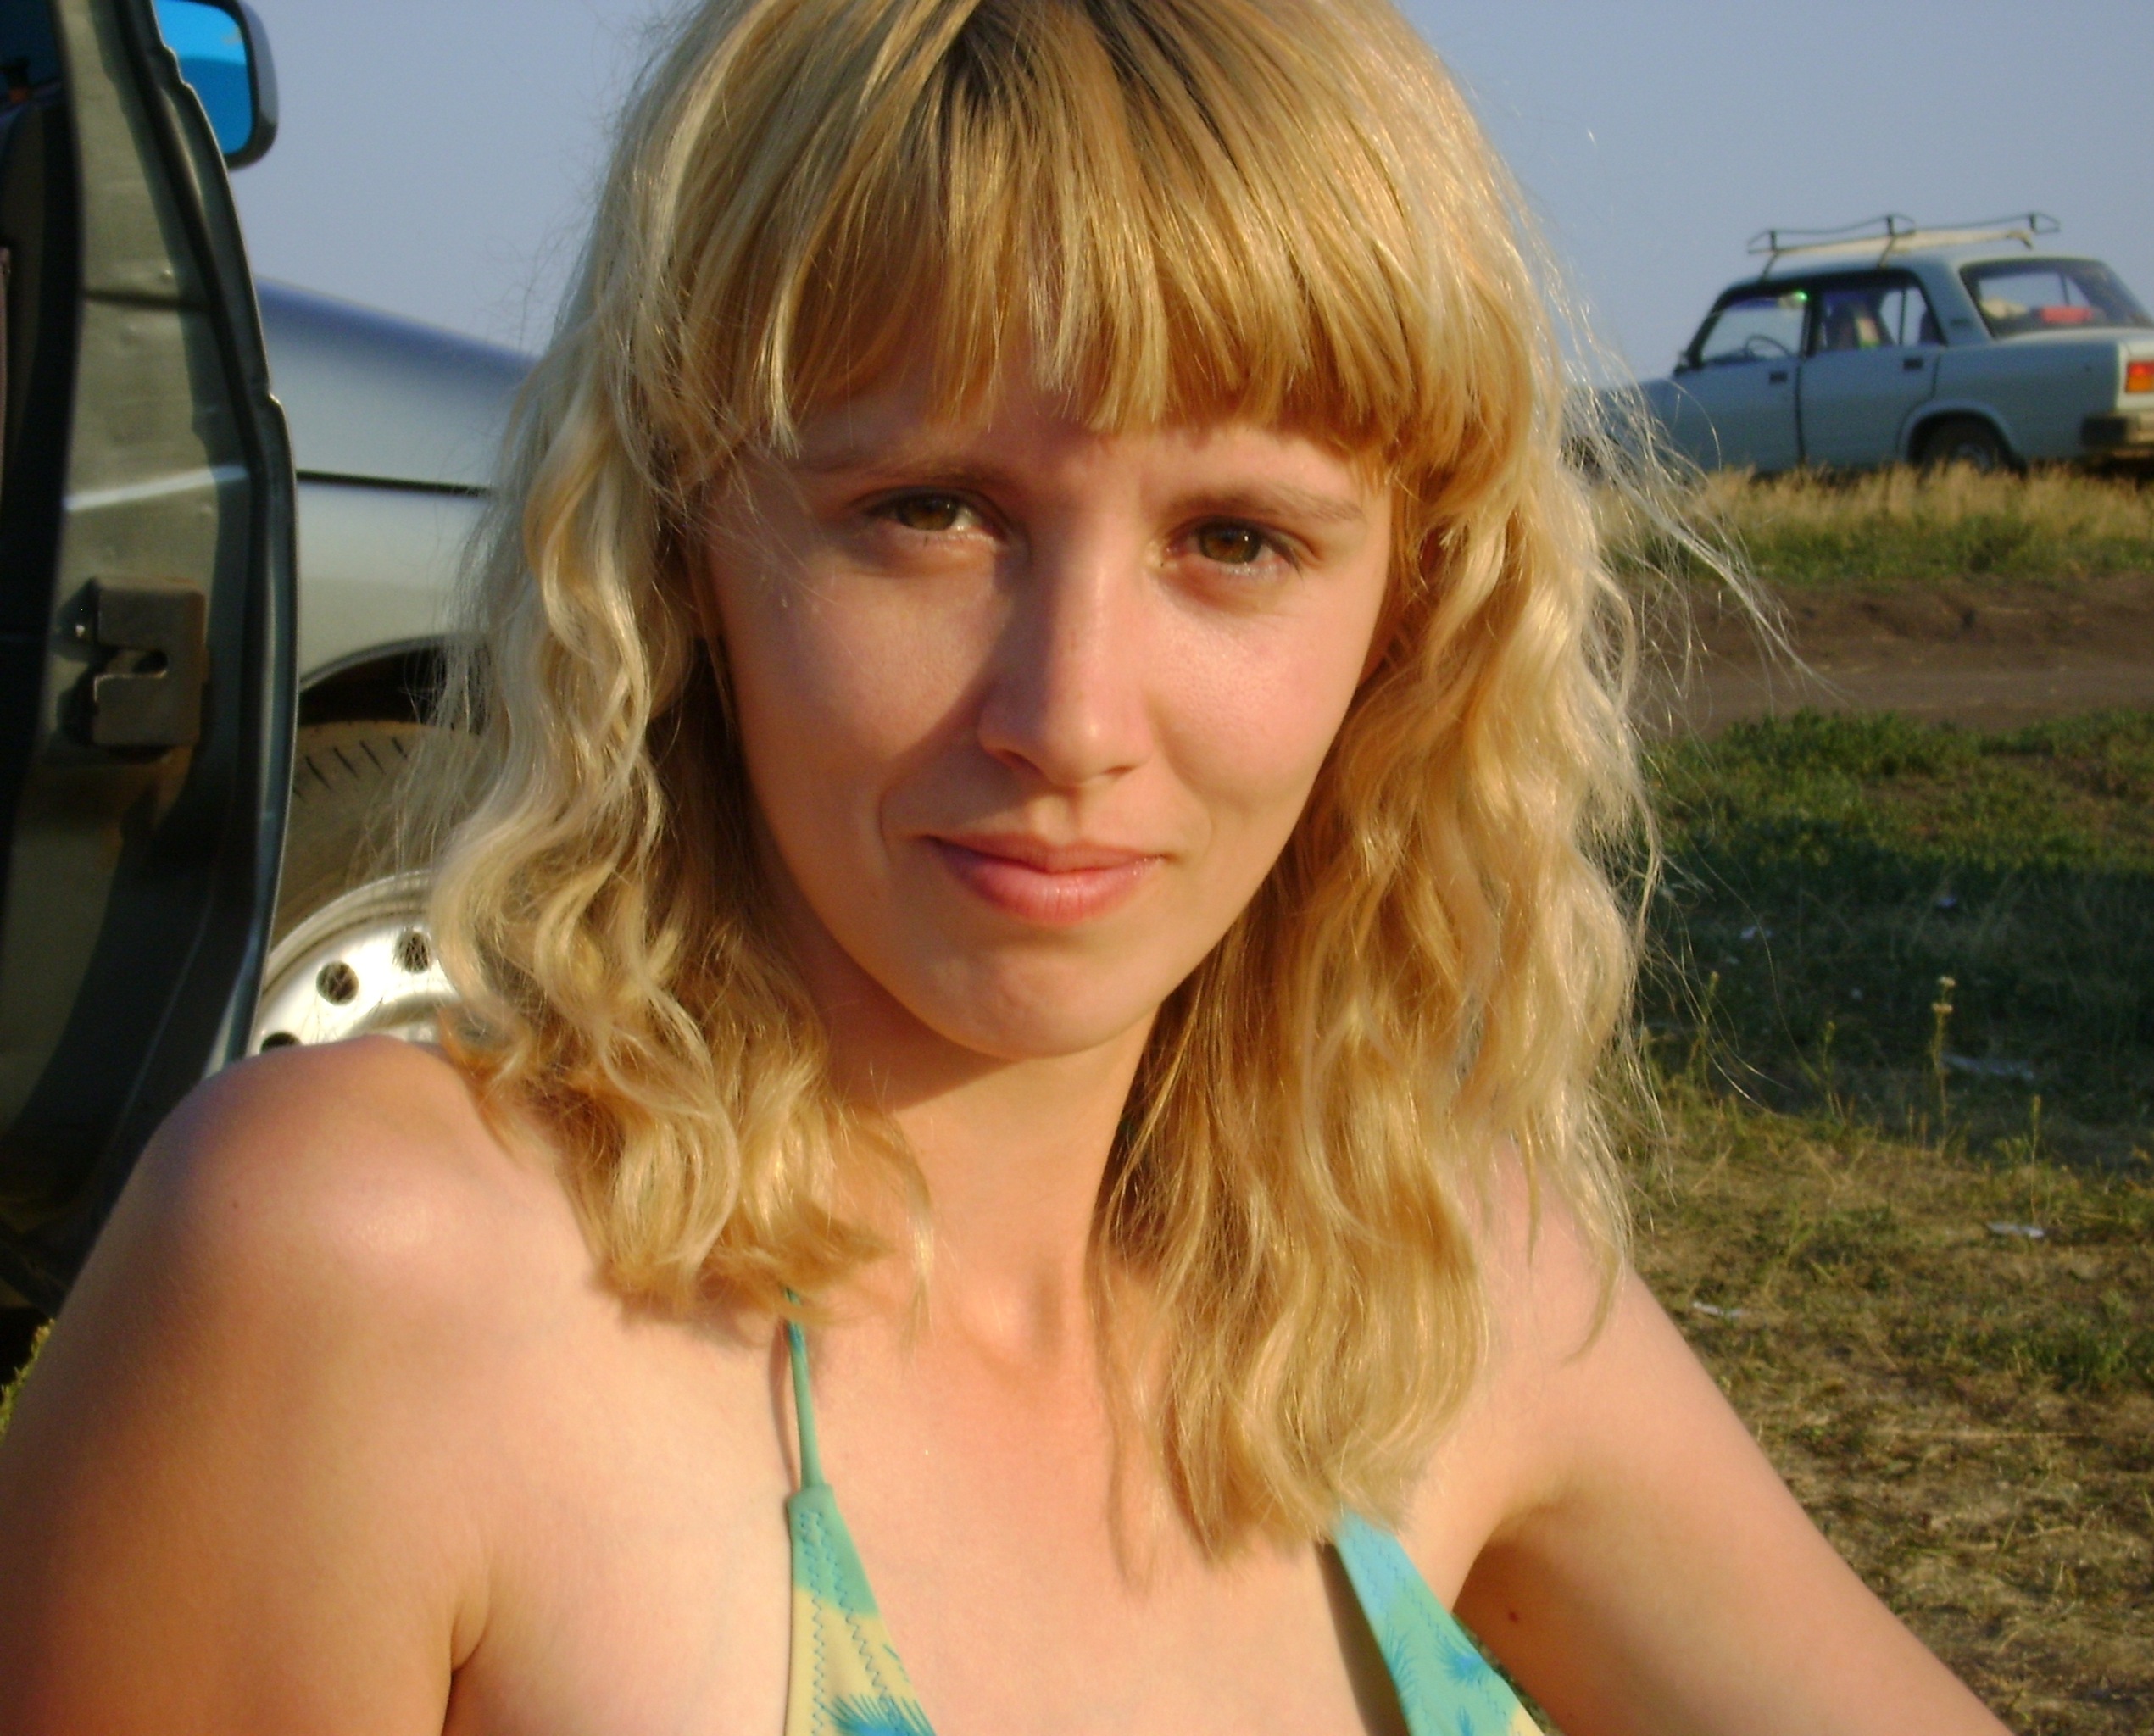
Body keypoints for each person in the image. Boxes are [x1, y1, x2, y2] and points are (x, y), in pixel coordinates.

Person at [0, 0, 2010, 1730]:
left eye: (1233, 539)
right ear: (680, 547)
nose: (1070, 714)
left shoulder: (1425, 1291)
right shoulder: (368, 1280)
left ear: (1411, 616)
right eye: (931, 510)